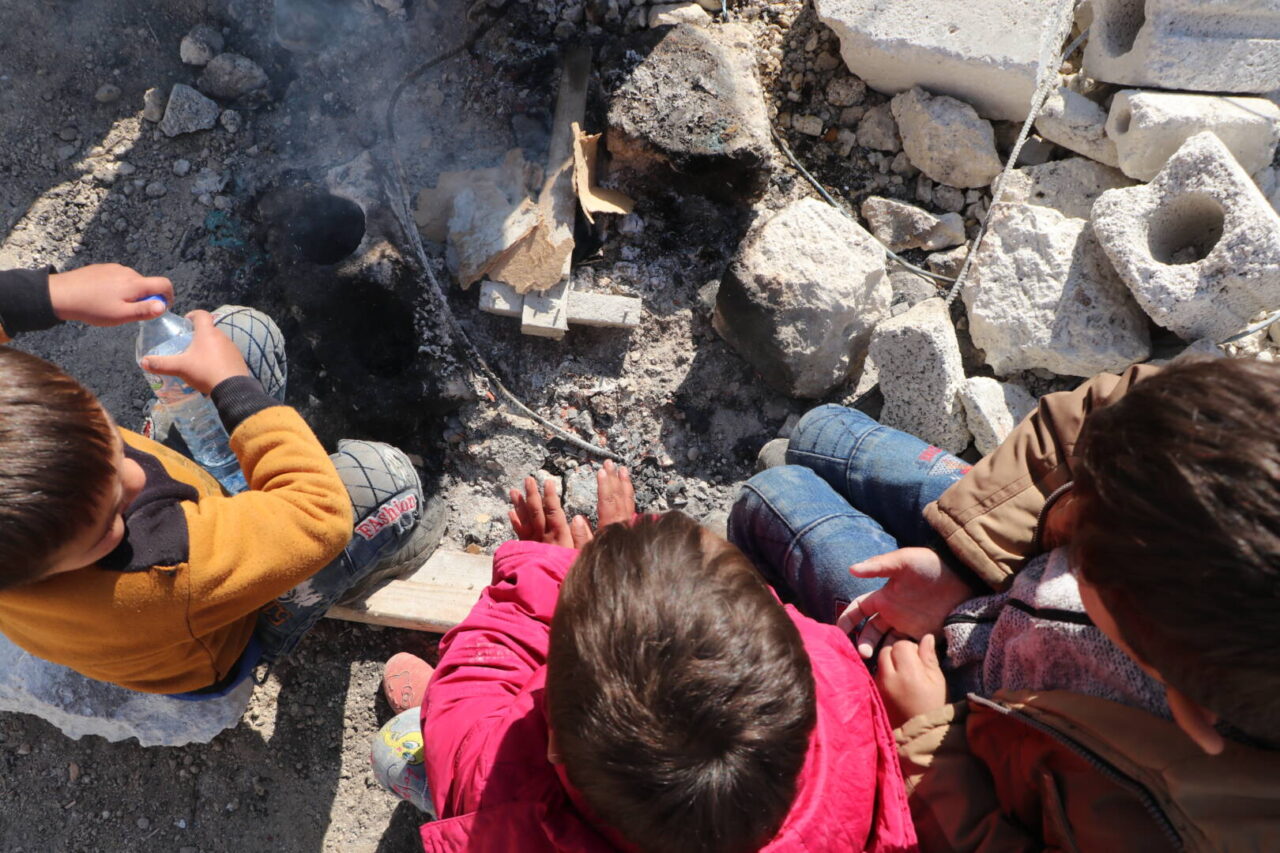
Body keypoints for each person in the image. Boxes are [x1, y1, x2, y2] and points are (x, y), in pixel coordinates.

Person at [730, 359, 1280, 850]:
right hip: (1003, 559)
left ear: (1191, 709)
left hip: (956, 700)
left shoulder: (1190, 829)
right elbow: (1090, 417)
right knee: (823, 431)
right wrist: (964, 561)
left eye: (1081, 554)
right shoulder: (1248, 435)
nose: (1074, 536)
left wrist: (924, 735)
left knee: (774, 494)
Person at [371, 461, 916, 852]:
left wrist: (543, 571)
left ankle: (426, 780)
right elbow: (743, 610)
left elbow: (475, 677)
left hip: (497, 784)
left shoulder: (501, 793)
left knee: (421, 745)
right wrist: (625, 559)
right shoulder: (833, 672)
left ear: (556, 743)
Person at [0, 264, 433, 696]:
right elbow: (320, 515)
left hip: (190, 526)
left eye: (113, 444)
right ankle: (309, 596)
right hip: (218, 627)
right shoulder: (159, 569)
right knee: (383, 478)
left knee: (239, 331)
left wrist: (46, 295)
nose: (135, 477)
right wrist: (234, 386)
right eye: (110, 518)